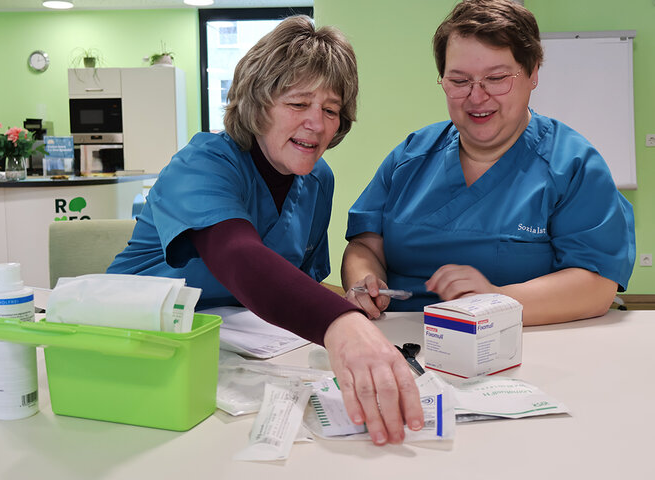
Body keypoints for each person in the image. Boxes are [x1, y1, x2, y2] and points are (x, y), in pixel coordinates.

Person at [107, 16, 423, 445]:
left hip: (230, 353)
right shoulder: (203, 163)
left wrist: (348, 298)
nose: (317, 124)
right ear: (257, 104)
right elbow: (239, 256)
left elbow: (293, 281)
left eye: (331, 110)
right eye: (298, 103)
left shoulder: (318, 180)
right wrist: (342, 324)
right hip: (135, 344)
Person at [342, 0, 635, 326]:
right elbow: (365, 245)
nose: (477, 97)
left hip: (521, 342)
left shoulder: (572, 166)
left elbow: (597, 287)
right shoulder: (411, 158)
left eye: (496, 78)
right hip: (402, 342)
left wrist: (496, 300)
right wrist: (365, 282)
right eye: (459, 81)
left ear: (533, 73)